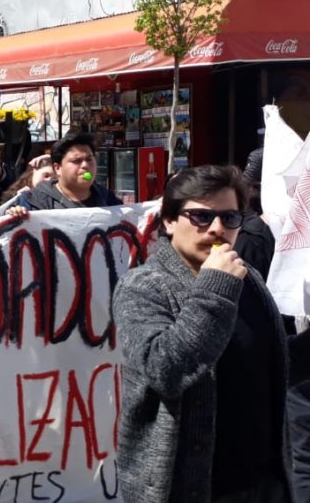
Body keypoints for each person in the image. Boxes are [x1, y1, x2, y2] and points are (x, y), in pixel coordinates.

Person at [113, 165, 310, 503]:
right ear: (170, 221)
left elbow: (269, 366)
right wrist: (216, 287)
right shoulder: (144, 286)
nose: (218, 229)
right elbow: (166, 371)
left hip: (263, 482)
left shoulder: (247, 279)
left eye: (230, 218)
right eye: (201, 217)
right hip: (193, 488)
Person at [8, 133, 121, 216]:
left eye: (89, 159)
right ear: (57, 168)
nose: (85, 165)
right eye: (76, 161)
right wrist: (15, 216)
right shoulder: (32, 202)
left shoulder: (109, 201)